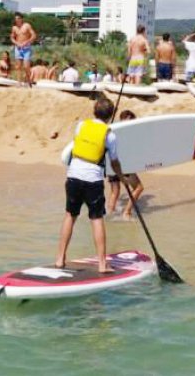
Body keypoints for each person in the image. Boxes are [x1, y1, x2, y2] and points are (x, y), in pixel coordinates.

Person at [55, 97, 130, 273]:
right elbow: (115, 162)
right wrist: (122, 178)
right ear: (111, 115)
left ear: (94, 111)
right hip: (93, 180)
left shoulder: (81, 125)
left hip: (73, 175)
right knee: (96, 219)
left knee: (70, 216)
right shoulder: (110, 135)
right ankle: (102, 265)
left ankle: (60, 259)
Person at [106, 111, 144, 219]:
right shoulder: (130, 132)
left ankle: (109, 213)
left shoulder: (112, 130)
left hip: (111, 163)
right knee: (139, 187)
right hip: (124, 165)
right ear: (128, 118)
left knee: (115, 191)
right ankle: (126, 212)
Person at [10, 12, 37, 85]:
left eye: (18, 18)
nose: (17, 20)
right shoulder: (14, 27)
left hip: (26, 48)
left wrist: (26, 42)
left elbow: (34, 35)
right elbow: (12, 38)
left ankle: (29, 80)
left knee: (26, 66)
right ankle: (19, 82)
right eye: (16, 19)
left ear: (22, 19)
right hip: (18, 48)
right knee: (18, 66)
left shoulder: (27, 25)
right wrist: (16, 43)